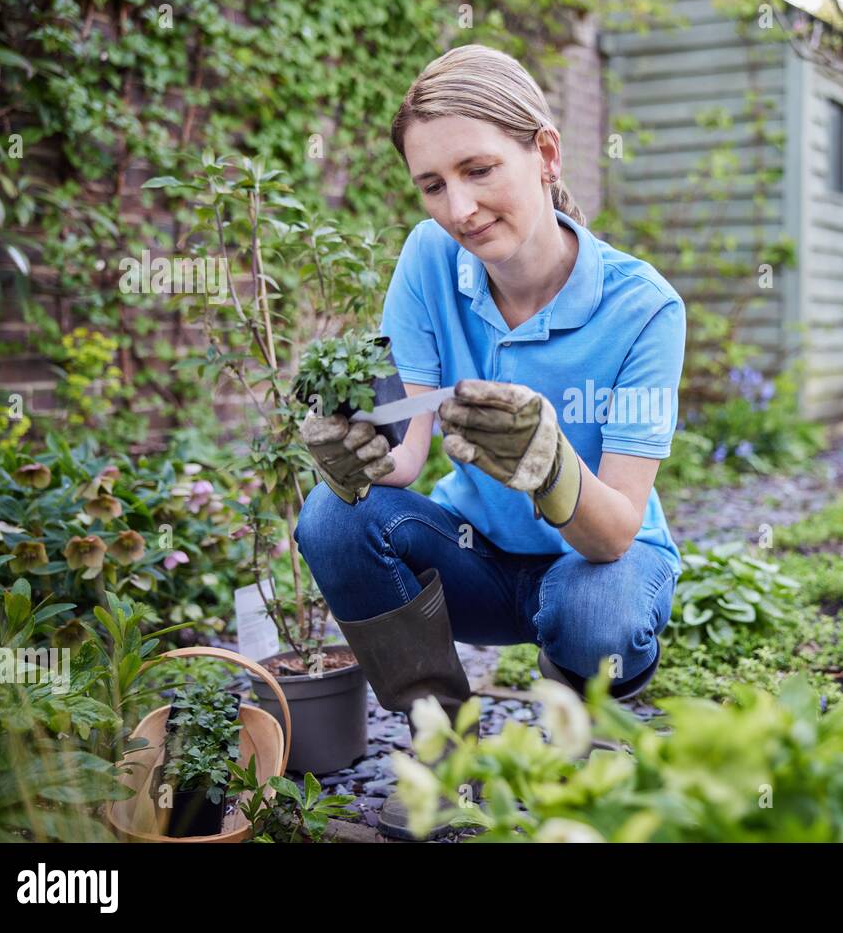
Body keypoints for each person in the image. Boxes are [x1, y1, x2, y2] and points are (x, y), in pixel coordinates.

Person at [293, 44, 686, 839]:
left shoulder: (643, 307)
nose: (458, 208)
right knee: (331, 517)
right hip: (476, 558)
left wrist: (550, 468)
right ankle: (445, 745)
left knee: (595, 605)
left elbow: (614, 532)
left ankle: (582, 725)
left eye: (478, 170)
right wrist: (352, 450)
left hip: (598, 565)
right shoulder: (430, 258)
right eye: (432, 184)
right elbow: (405, 455)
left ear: (545, 153)